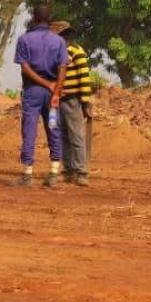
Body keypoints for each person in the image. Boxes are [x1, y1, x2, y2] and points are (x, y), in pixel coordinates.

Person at [12, 4, 69, 187]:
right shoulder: (59, 41)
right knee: (53, 128)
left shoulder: (24, 40)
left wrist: (45, 84)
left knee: (29, 131)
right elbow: (63, 68)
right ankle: (53, 173)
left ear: (34, 19)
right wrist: (56, 90)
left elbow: (25, 68)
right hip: (52, 95)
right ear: (49, 19)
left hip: (32, 93)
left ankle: (27, 175)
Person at [52, 21, 94, 186]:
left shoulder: (77, 52)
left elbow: (84, 79)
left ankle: (81, 171)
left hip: (73, 100)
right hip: (58, 100)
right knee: (63, 136)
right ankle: (69, 170)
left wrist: (85, 103)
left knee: (76, 136)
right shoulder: (56, 53)